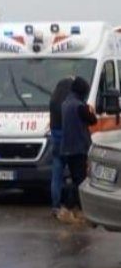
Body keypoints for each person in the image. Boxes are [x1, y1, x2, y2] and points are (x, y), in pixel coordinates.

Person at [60, 76, 97, 221]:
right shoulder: (80, 106)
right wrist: (90, 109)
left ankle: (74, 209)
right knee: (81, 181)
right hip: (79, 148)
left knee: (75, 178)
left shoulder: (65, 103)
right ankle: (69, 209)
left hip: (67, 148)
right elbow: (93, 120)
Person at [49, 77, 74, 221]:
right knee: (74, 175)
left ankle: (55, 205)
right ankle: (71, 204)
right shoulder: (69, 104)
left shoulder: (53, 102)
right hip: (69, 140)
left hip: (56, 139)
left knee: (56, 176)